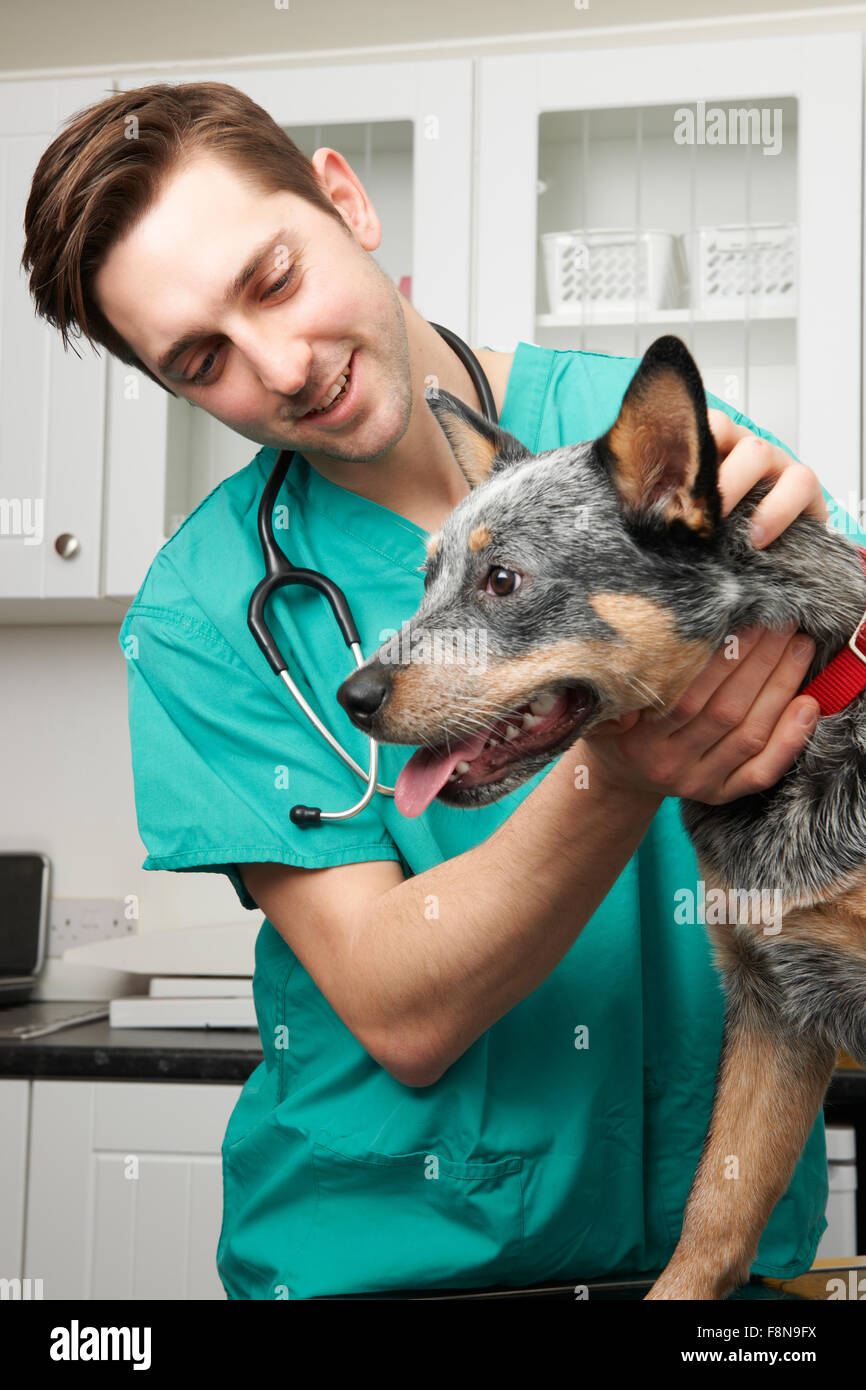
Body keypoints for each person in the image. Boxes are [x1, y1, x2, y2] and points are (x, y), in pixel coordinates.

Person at [21, 80, 866, 1301]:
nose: (285, 365)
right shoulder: (203, 613)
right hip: (398, 1267)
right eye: (203, 359)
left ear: (345, 200)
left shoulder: (662, 435)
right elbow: (402, 1011)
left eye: (272, 278)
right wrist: (618, 765)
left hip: (723, 1273)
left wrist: (815, 567)